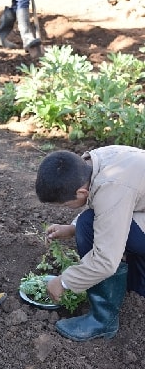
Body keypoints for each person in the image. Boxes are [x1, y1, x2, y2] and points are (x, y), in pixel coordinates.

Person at [35, 146, 145, 341]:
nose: (66, 208)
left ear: (81, 192)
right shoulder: (93, 162)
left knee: (88, 226)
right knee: (86, 223)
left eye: (66, 204)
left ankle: (103, 320)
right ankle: (137, 285)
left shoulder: (113, 184)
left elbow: (105, 260)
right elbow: (107, 204)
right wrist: (71, 228)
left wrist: (63, 281)